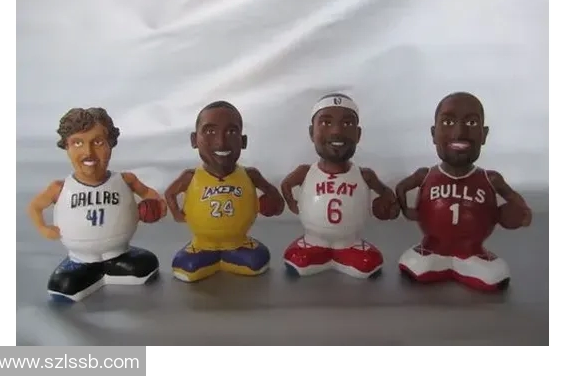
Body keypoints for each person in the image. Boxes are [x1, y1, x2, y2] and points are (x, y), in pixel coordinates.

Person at [395, 92, 532, 292]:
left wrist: (522, 213)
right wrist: (407, 211)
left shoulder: (490, 179)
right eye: (448, 122)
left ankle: (471, 256)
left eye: (471, 123)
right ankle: (433, 252)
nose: (459, 132)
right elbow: (401, 188)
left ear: (484, 135)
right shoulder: (425, 175)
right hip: (431, 247)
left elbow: (513, 199)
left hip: (472, 251)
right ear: (433, 133)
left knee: (495, 273)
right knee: (417, 264)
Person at [27, 107, 167, 303]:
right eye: (78, 143)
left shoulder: (125, 180)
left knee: (145, 264)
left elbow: (151, 195)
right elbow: (34, 206)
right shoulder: (61, 188)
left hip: (119, 251)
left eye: (98, 142)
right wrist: (43, 228)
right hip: (79, 256)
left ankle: (114, 263)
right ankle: (83, 268)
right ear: (66, 147)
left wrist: (158, 207)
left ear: (111, 144)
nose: (88, 152)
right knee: (63, 285)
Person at [280, 93, 399, 279]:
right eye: (326, 123)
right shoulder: (305, 172)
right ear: (311, 132)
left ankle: (345, 250)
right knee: (298, 258)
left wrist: (389, 206)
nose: (336, 131)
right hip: (313, 239)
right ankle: (316, 246)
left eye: (347, 124)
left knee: (369, 261)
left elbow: (386, 194)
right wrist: (292, 204)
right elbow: (286, 185)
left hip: (350, 241)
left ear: (358, 134)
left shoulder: (364, 175)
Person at [164, 101, 285, 282]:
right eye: (210, 131)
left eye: (231, 132)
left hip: (238, 241)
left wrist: (275, 205)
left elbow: (274, 196)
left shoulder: (250, 175)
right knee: (186, 265)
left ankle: (232, 252)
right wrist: (176, 214)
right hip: (202, 242)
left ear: (243, 141)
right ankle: (204, 250)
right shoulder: (191, 176)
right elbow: (170, 193)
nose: (221, 142)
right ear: (194, 140)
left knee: (256, 260)